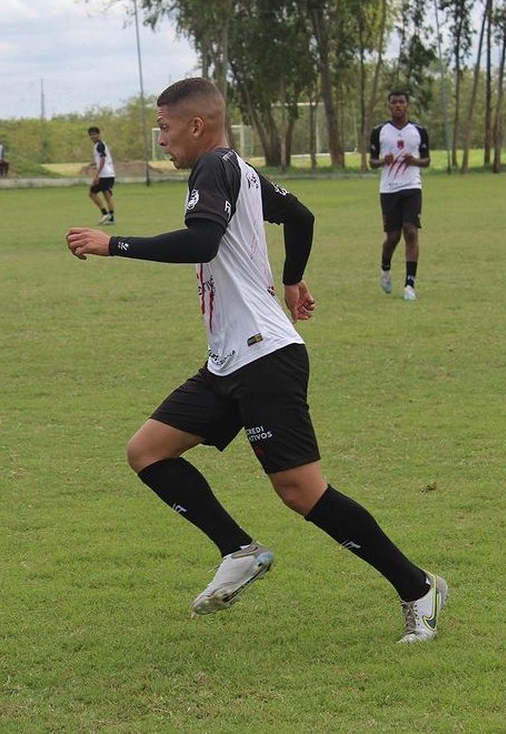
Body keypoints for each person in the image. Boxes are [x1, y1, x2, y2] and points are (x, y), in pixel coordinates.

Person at [65, 77, 447, 643]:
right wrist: (292, 282)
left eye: (165, 129)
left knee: (301, 491)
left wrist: (114, 244)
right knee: (147, 451)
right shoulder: (238, 170)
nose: (162, 140)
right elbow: (302, 217)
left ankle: (418, 587)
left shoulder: (214, 165)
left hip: (265, 358)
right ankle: (238, 550)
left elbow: (201, 242)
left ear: (197, 126)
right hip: (228, 360)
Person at [368, 90, 430, 301]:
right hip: (389, 189)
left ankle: (409, 285)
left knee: (411, 231)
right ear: (389, 106)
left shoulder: (418, 130)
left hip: (412, 187)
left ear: (407, 105)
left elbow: (427, 160)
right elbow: (372, 162)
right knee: (392, 237)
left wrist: (416, 161)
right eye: (394, 102)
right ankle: (385, 268)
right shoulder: (380, 131)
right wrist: (383, 160)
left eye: (401, 102)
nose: (397, 106)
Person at [87, 126, 116, 225]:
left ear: (99, 134)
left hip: (105, 175)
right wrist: (93, 164)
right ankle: (111, 218)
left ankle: (105, 214)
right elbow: (102, 160)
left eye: (94, 134)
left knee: (92, 193)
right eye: (91, 135)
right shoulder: (99, 145)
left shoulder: (99, 145)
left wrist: (97, 175)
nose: (93, 136)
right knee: (107, 196)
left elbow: (103, 159)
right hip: (109, 174)